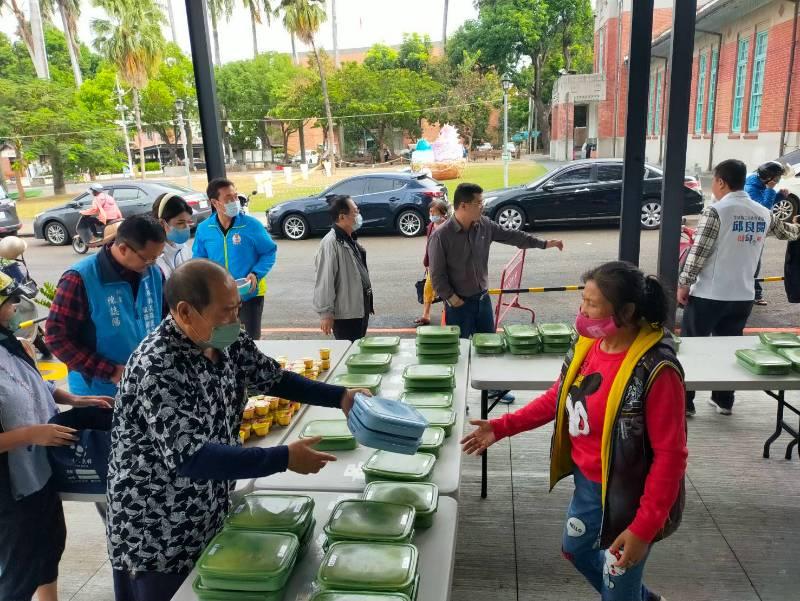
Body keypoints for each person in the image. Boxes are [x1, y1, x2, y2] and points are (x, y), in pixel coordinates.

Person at [106, 259, 370, 601]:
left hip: (207, 508)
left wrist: (341, 397)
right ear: (185, 312)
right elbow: (192, 458)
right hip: (157, 527)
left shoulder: (225, 339)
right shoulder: (157, 366)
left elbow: (274, 378)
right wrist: (284, 457)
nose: (236, 320)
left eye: (238, 308)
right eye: (226, 311)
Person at [462, 262, 686, 601]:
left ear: (626, 311)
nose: (582, 310)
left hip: (629, 497)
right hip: (589, 485)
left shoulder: (656, 370)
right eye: (583, 300)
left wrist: (643, 528)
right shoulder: (588, 346)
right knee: (575, 549)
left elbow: (670, 457)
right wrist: (501, 426)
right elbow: (559, 396)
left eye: (592, 304)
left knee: (618, 587)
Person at [0, 272, 112, 601]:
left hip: (39, 470)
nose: (15, 308)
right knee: (19, 564)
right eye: (8, 303)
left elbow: (30, 385)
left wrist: (74, 399)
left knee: (49, 547)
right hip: (11, 486)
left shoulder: (9, 345)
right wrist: (34, 433)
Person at [678, 159, 800, 416]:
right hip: (742, 296)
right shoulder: (762, 212)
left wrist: (684, 284)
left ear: (721, 182)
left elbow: (698, 252)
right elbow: (788, 232)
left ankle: (686, 403)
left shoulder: (717, 211)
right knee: (728, 348)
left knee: (693, 347)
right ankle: (724, 401)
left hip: (709, 295)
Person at [45, 214, 167, 398]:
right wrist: (110, 371)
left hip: (145, 384)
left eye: (157, 257)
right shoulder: (80, 279)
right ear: (124, 248)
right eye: (147, 258)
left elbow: (166, 319)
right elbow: (56, 338)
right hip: (98, 392)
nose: (152, 264)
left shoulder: (154, 273)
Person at [428, 182, 563, 337]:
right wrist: (453, 300)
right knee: (463, 350)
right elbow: (437, 276)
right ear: (463, 206)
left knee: (489, 345)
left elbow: (512, 235)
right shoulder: (441, 236)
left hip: (483, 299)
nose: (482, 206)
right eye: (478, 203)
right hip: (459, 305)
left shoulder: (484, 225)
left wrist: (544, 244)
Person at [193, 178, 277, 340]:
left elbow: (269, 252)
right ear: (215, 203)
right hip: (219, 298)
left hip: (250, 294)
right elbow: (199, 262)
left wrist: (256, 274)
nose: (234, 201)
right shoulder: (204, 229)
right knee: (223, 341)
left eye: (235, 196)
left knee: (250, 341)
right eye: (228, 198)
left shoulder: (251, 225)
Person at [313, 195, 373, 342]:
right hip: (346, 315)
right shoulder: (331, 243)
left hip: (358, 309)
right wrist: (325, 313)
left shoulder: (348, 238)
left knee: (357, 349)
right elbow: (325, 281)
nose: (358, 215)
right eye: (355, 212)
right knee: (349, 354)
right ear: (342, 217)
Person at [745, 161, 791, 305]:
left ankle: (754, 293)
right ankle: (753, 294)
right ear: (768, 178)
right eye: (776, 178)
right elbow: (763, 208)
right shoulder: (751, 188)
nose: (777, 181)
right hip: (750, 232)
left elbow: (765, 203)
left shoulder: (759, 184)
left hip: (756, 231)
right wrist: (771, 190)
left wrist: (779, 196)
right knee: (752, 263)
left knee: (754, 263)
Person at [415, 199, 450, 326]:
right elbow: (428, 247)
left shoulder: (449, 227)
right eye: (430, 212)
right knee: (428, 289)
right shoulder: (430, 227)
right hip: (433, 266)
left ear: (443, 213)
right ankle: (426, 315)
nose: (431, 215)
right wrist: (427, 263)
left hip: (447, 266)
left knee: (446, 291)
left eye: (434, 212)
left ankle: (447, 316)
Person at [152, 192, 193, 279]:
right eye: (180, 223)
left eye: (188, 222)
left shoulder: (183, 247)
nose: (186, 227)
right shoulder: (153, 256)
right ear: (162, 223)